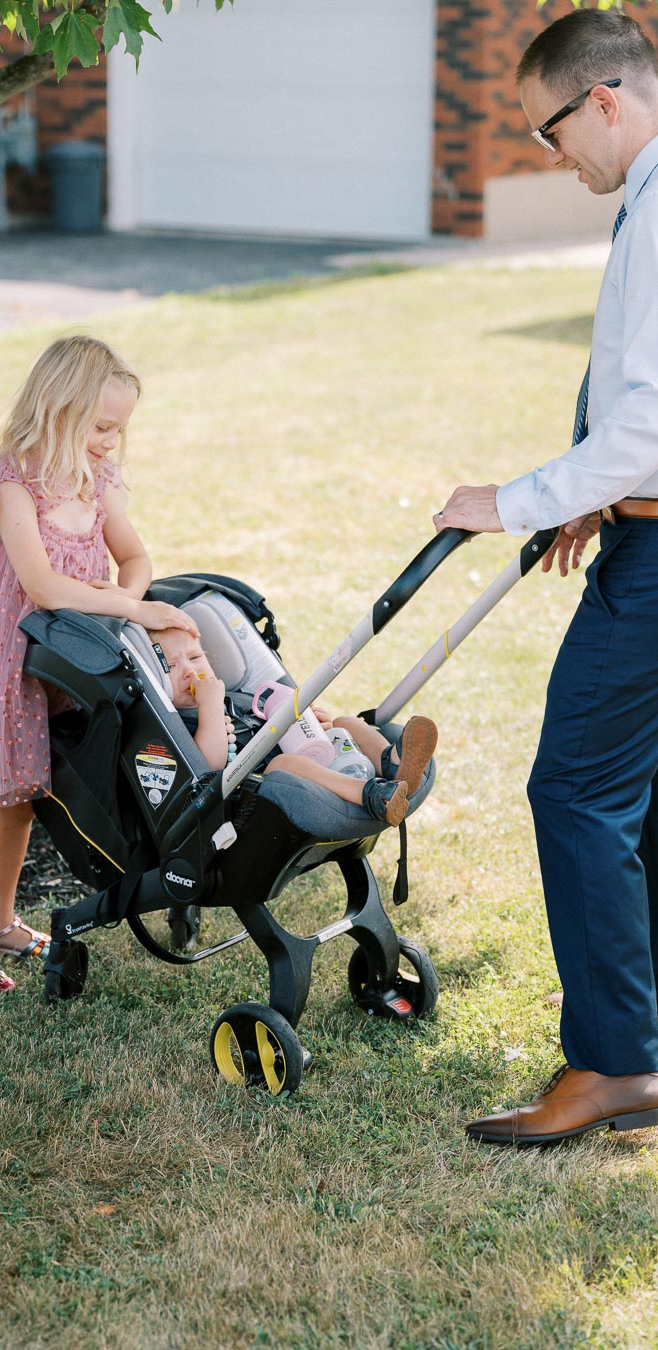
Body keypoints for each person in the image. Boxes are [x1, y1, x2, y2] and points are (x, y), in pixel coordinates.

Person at [436, 9, 658, 1144]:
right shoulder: (645, 201)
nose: (549, 154)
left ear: (605, 99)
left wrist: (519, 499)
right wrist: (590, 495)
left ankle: (618, 1066)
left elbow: (650, 426)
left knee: (576, 788)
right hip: (639, 523)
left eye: (549, 131)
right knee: (638, 796)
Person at [0, 335, 197, 996]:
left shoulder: (98, 482)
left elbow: (135, 558)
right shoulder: (16, 484)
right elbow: (40, 585)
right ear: (57, 412)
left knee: (23, 795)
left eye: (118, 429)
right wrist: (134, 613)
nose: (110, 441)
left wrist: (125, 598)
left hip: (59, 659)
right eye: (101, 426)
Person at [149, 626, 438, 826]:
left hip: (312, 757)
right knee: (283, 765)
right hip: (263, 793)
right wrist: (210, 706)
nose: (189, 670)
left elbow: (281, 722)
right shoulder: (177, 721)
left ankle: (394, 765)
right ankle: (373, 794)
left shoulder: (237, 699)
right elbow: (207, 767)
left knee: (344, 723)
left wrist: (312, 723)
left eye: (196, 657)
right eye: (171, 666)